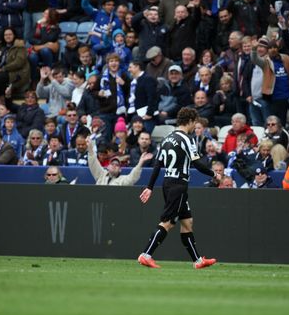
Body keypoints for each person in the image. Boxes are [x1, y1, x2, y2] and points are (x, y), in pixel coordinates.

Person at [138, 107, 219, 269]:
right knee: (168, 222)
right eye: (194, 123)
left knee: (187, 222)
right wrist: (213, 174)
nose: (194, 127)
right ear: (189, 121)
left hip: (168, 183)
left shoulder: (167, 138)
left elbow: (158, 164)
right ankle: (145, 255)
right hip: (178, 185)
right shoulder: (186, 139)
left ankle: (197, 261)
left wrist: (150, 187)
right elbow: (196, 163)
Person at [86, 136, 152, 185]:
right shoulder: (101, 174)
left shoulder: (123, 180)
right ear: (108, 167)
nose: (114, 165)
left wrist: (140, 163)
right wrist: (90, 149)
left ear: (120, 169)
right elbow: (93, 163)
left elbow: (133, 177)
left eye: (117, 165)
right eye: (112, 164)